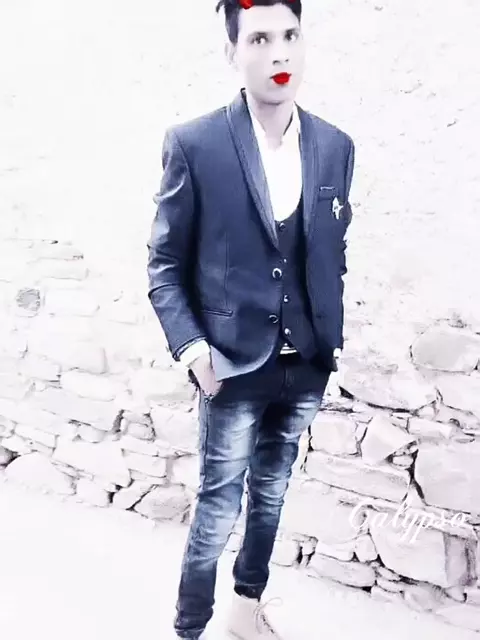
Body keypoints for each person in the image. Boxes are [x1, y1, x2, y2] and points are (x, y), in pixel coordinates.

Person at [147, 0, 355, 637]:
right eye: (259, 39)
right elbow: (164, 264)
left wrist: (329, 343)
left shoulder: (335, 146)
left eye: (290, 35)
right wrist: (194, 351)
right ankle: (189, 627)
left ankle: (246, 610)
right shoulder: (196, 143)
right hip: (231, 365)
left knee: (270, 495)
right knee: (217, 506)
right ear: (232, 52)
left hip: (305, 365)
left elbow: (331, 252)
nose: (279, 53)